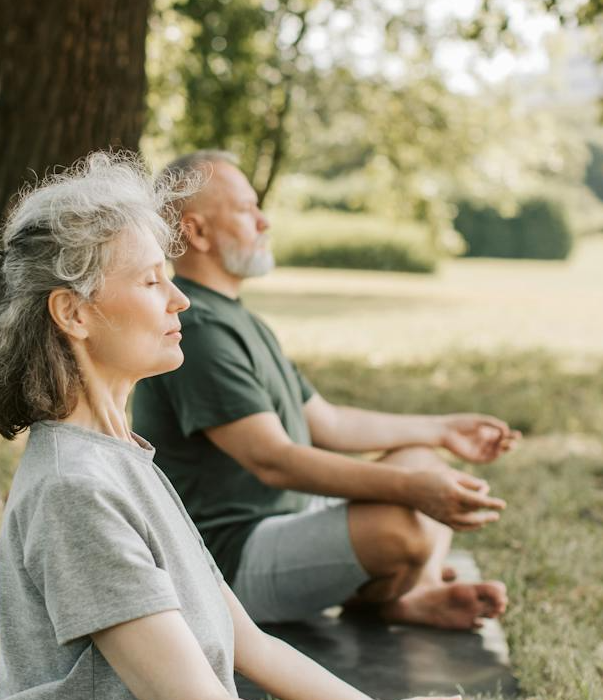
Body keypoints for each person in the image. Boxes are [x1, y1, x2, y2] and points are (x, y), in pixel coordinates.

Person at [0, 151, 509, 700]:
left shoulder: (123, 456)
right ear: (73, 313)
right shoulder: (74, 485)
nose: (179, 300)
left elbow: (249, 643)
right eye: (150, 283)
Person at [132, 150, 522, 629]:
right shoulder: (199, 329)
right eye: (246, 210)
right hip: (227, 560)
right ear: (197, 232)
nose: (264, 221)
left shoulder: (237, 318)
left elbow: (329, 423)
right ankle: (400, 591)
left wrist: (442, 430)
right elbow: (272, 460)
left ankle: (410, 595)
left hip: (288, 519)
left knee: (423, 460)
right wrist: (411, 490)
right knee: (404, 526)